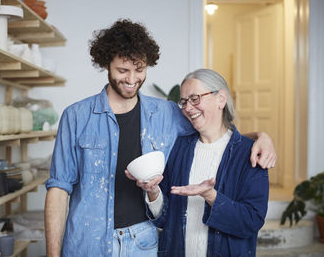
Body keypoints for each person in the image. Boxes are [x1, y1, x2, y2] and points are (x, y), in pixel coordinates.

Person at [44, 20, 275, 257]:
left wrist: (259, 137)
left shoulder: (167, 113)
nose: (132, 78)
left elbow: (213, 132)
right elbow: (58, 190)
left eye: (140, 69)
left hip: (142, 243)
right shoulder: (76, 116)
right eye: (123, 70)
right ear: (107, 65)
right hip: (87, 243)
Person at [130, 69, 269, 257]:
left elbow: (251, 220)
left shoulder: (249, 154)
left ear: (221, 99)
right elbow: (164, 219)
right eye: (184, 102)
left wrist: (211, 196)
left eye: (195, 99)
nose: (187, 108)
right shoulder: (177, 148)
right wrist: (153, 192)